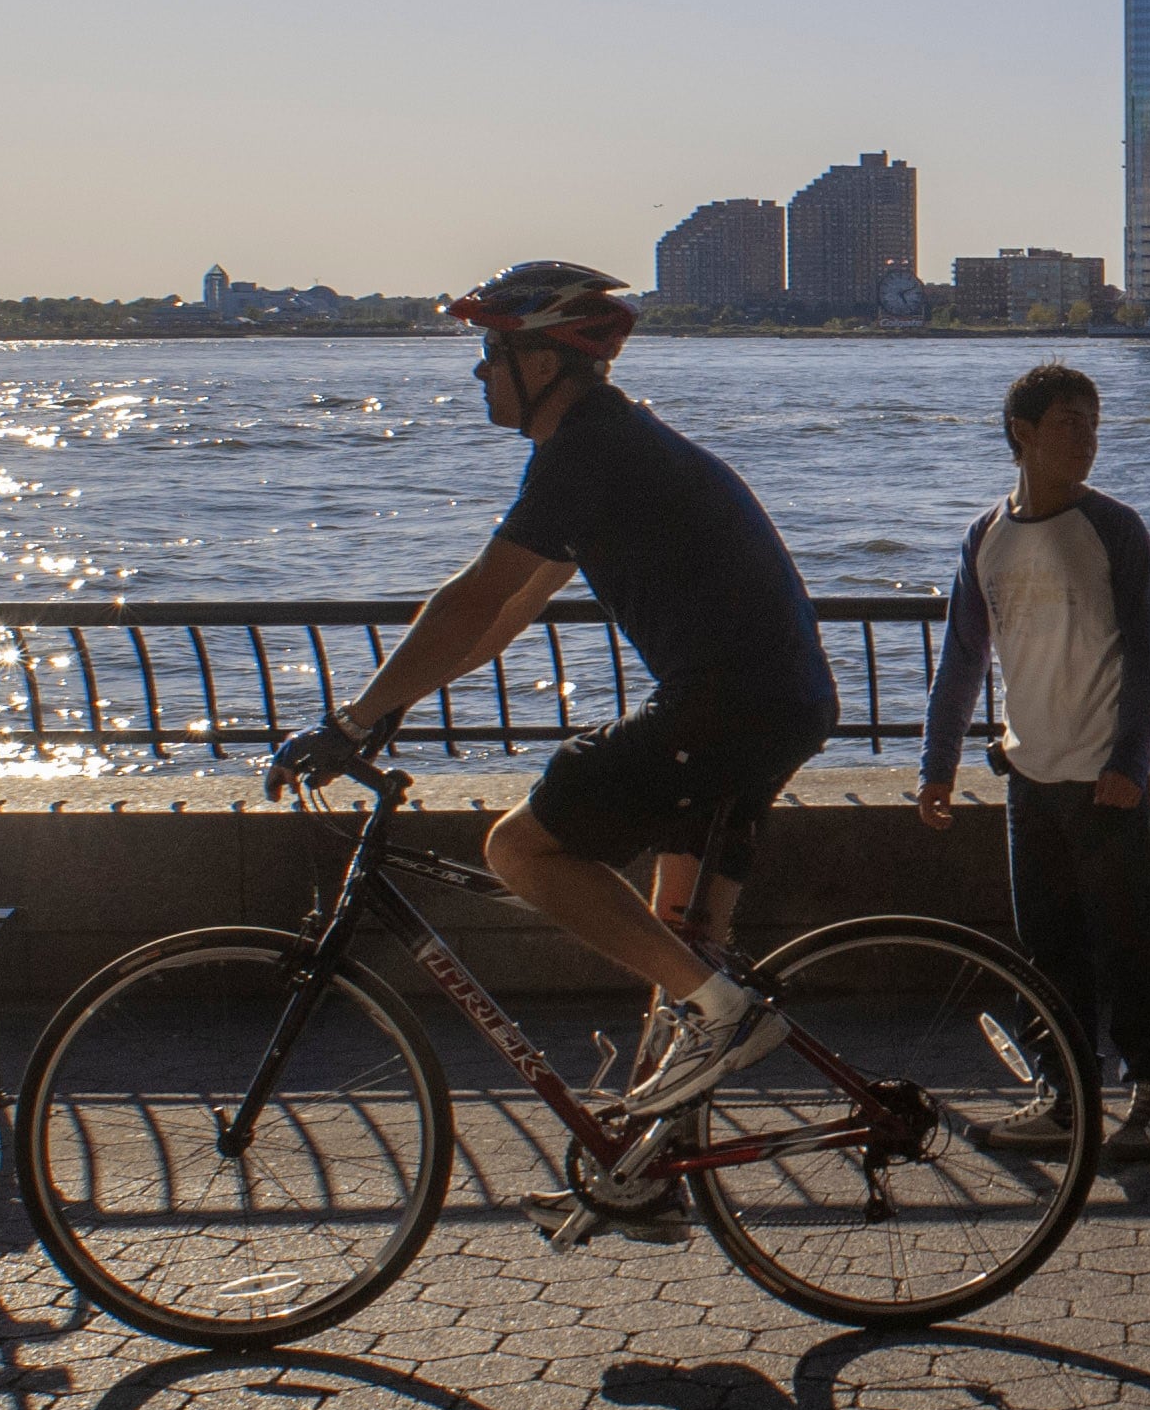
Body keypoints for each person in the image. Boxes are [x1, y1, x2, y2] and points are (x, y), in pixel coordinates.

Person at [268, 262, 840, 1247]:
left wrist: (353, 720)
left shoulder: (589, 449)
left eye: (492, 351)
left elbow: (473, 593)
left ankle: (725, 1018)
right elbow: (501, 619)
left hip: (726, 706)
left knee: (520, 850)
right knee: (678, 952)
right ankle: (643, 1175)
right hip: (769, 704)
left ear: (544, 359)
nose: (480, 373)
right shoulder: (612, 449)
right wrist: (398, 699)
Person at [921, 365, 1150, 1165]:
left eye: (1095, 425)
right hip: (1028, 775)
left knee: (1128, 942)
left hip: (1103, 779)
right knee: (1048, 950)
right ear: (1023, 434)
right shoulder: (986, 538)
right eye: (1070, 423)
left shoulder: (1116, 529)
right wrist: (938, 764)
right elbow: (962, 659)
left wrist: (1129, 761)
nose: (1088, 440)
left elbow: (1146, 656)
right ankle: (1066, 1096)